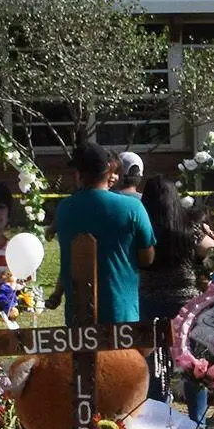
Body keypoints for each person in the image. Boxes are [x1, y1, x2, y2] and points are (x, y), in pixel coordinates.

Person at [52, 138, 156, 323]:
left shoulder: (63, 209)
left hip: (78, 317)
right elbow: (146, 258)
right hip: (122, 315)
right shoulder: (133, 207)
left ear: (78, 175)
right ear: (109, 171)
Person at [139, 174, 211, 416]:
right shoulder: (189, 227)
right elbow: (210, 250)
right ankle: (198, 419)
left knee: (156, 365)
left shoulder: (142, 227)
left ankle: (160, 417)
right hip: (186, 304)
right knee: (194, 363)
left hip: (149, 302)